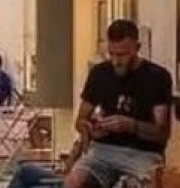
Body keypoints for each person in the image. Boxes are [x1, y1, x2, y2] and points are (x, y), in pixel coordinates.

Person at [64, 20, 172, 188]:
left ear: (137, 48)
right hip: (103, 150)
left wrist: (131, 125)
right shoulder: (99, 73)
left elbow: (162, 133)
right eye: (111, 54)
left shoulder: (157, 77)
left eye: (122, 55)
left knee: (145, 183)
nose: (115, 61)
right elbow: (80, 120)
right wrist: (88, 127)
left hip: (143, 154)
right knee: (73, 182)